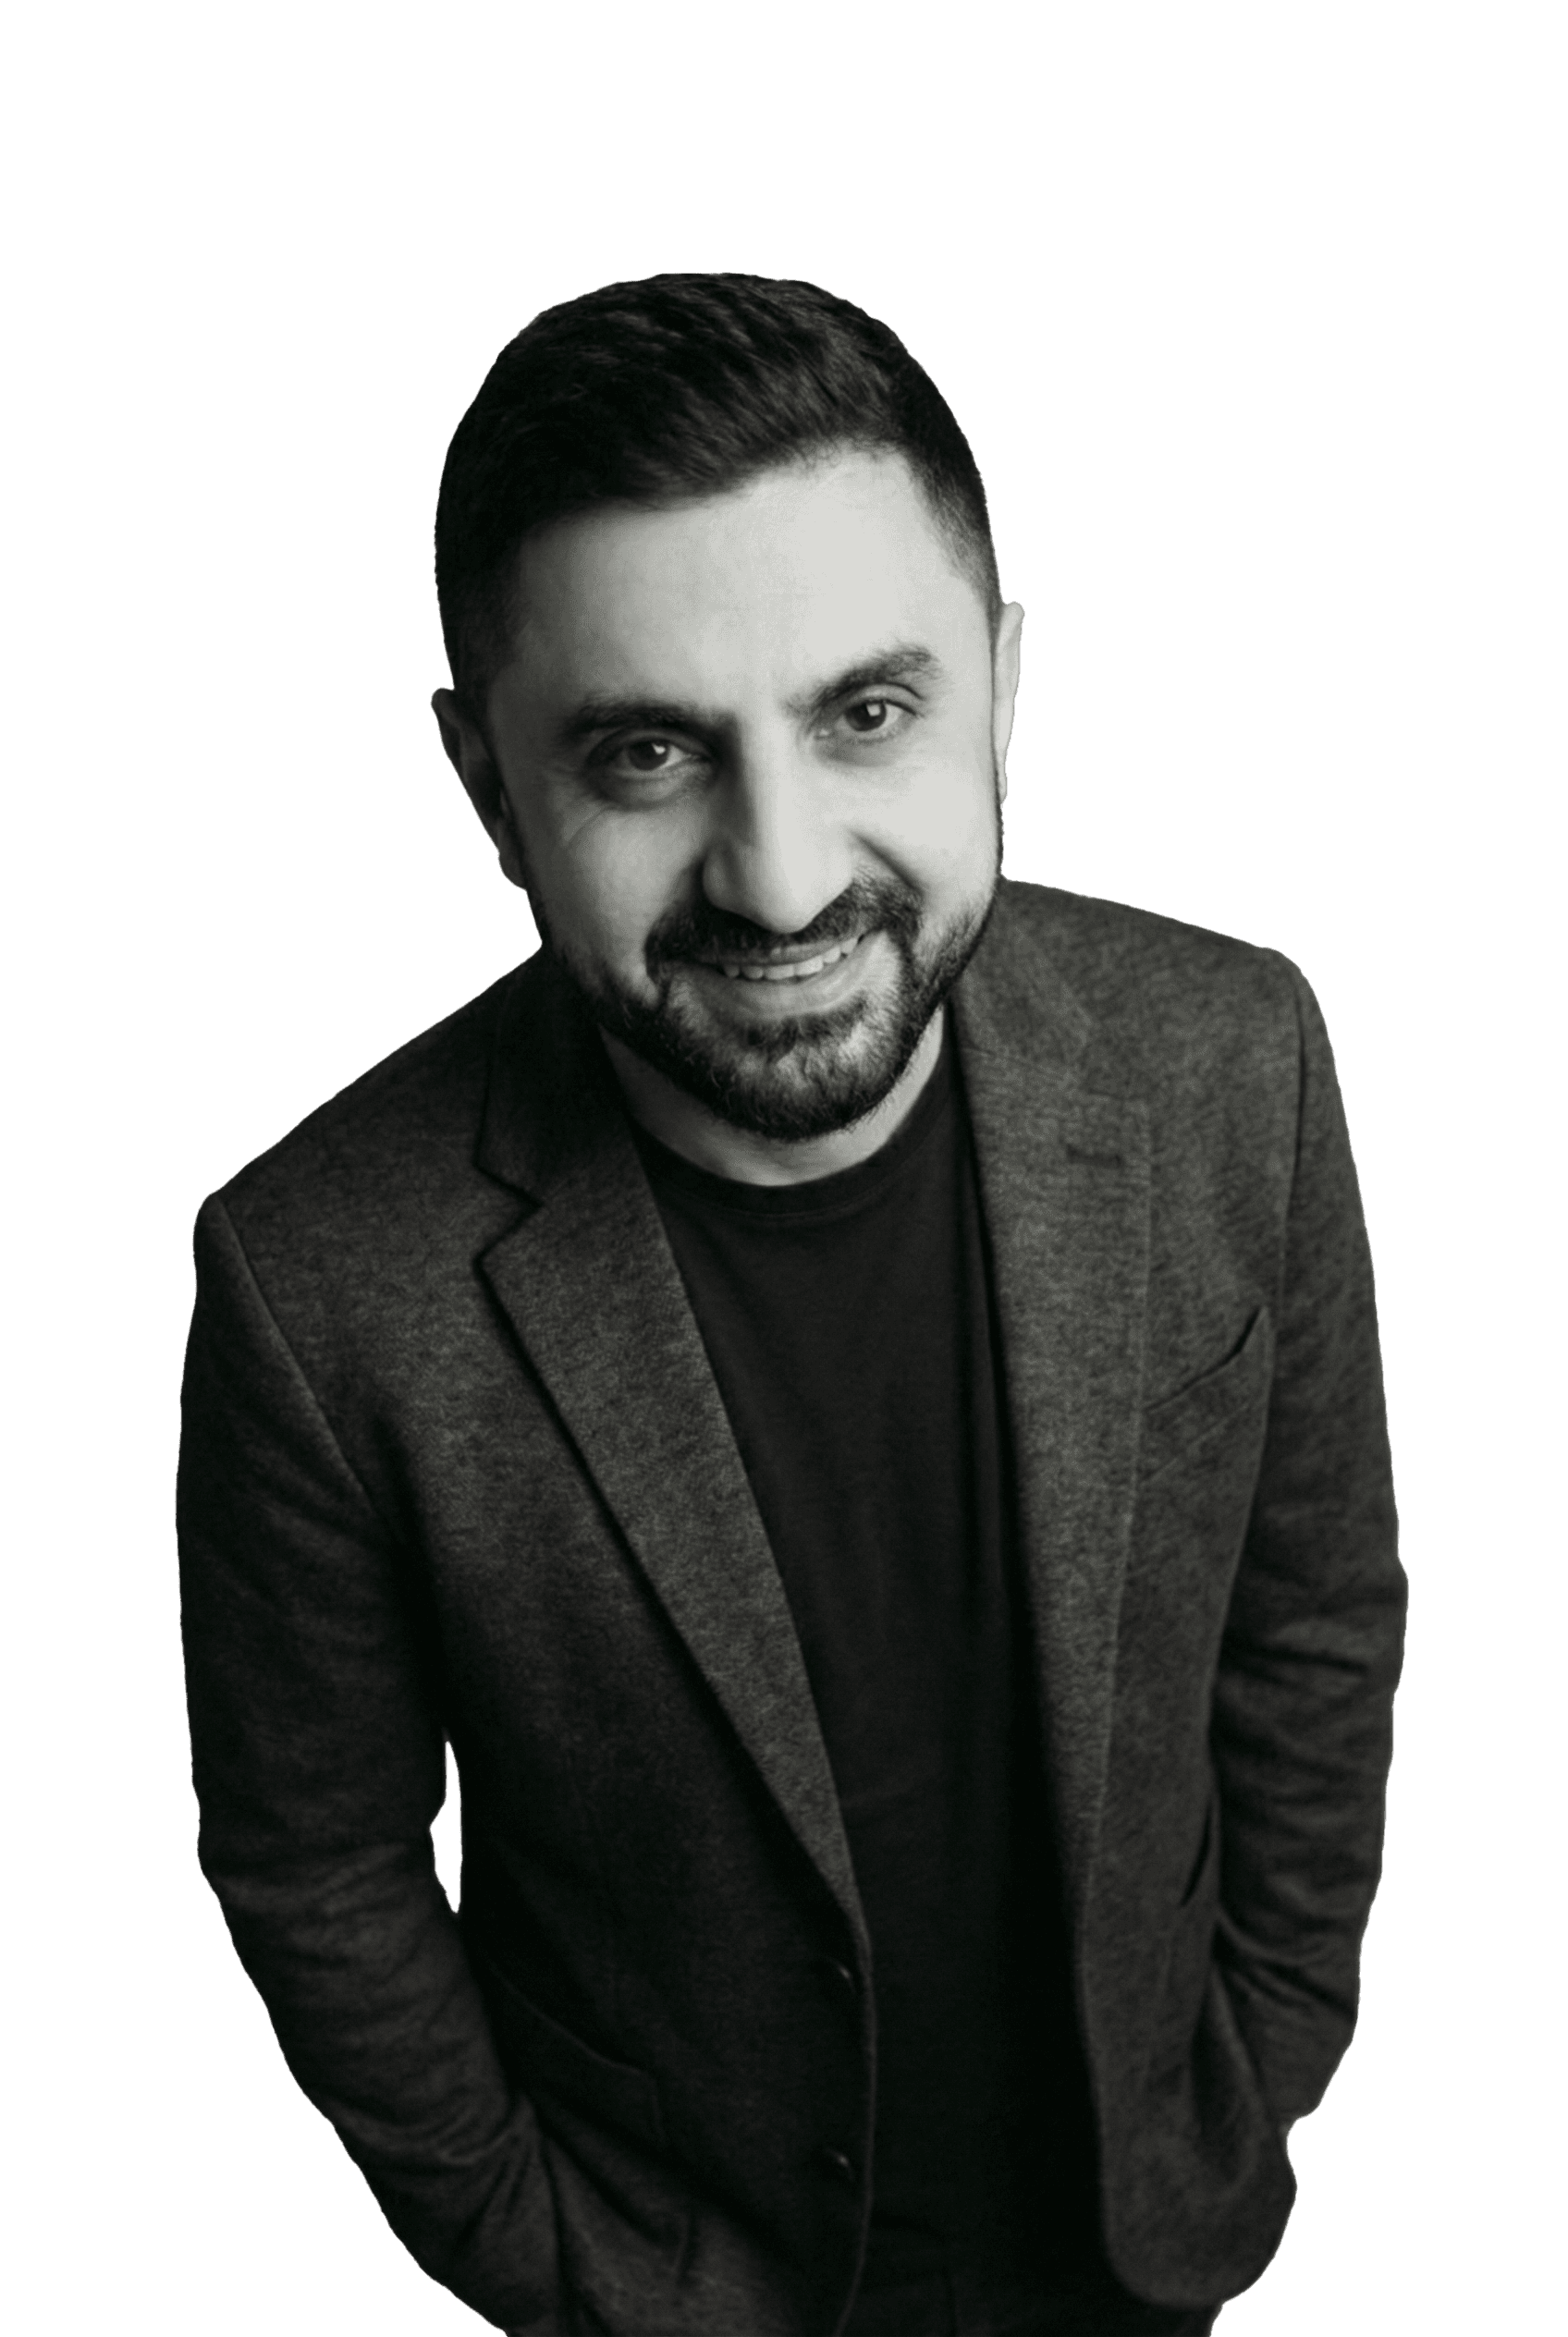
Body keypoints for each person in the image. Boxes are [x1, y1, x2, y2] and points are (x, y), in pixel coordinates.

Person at [177, 273, 1404, 2337]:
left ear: (997, 691)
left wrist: (1257, 2053)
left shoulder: (1235, 1061)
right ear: (489, 792)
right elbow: (317, 1863)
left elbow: (1309, 1615)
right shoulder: (314, 1286)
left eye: (864, 711)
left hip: (1145, 2236)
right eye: (646, 751)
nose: (773, 876)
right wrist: (555, 2263)